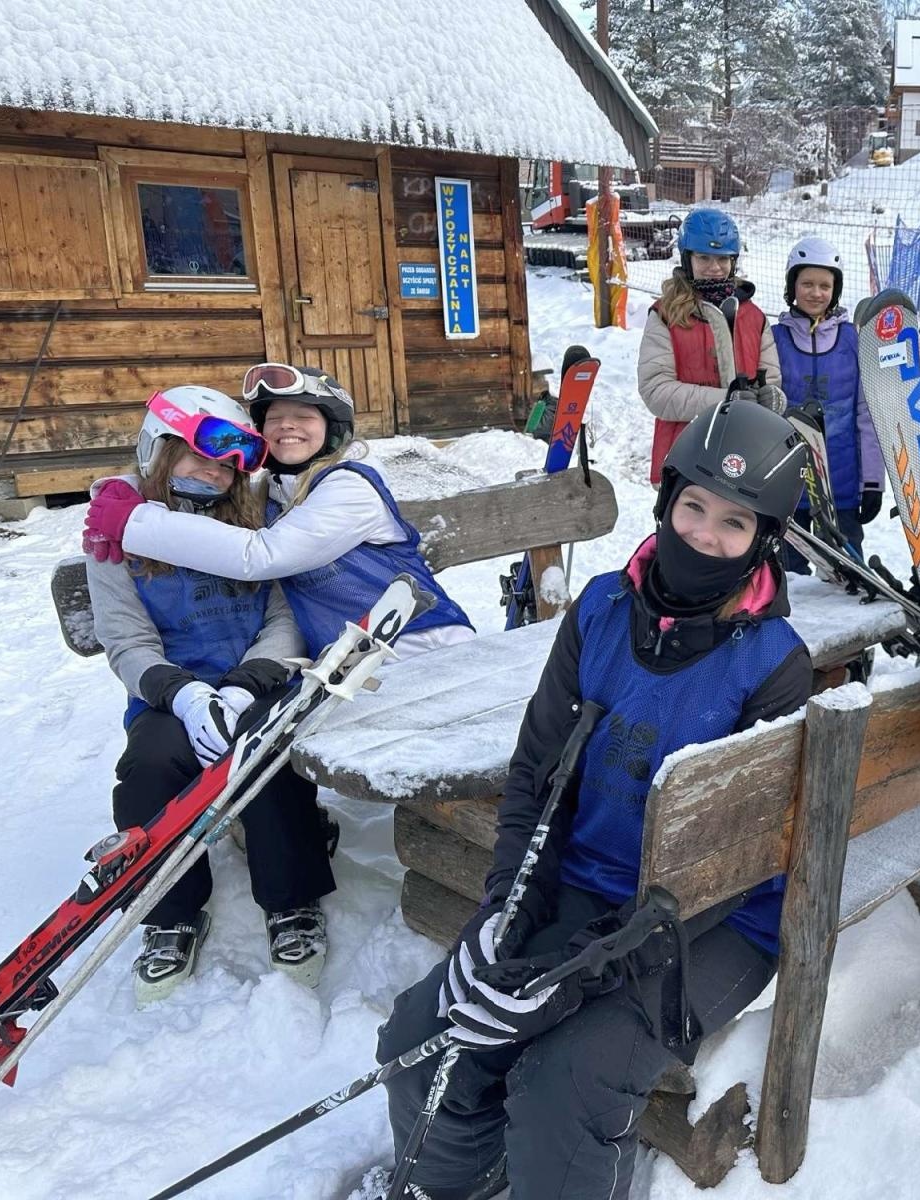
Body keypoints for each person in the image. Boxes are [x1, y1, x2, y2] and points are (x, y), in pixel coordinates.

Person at [372, 399, 813, 1200]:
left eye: (734, 524)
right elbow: (537, 773)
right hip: (585, 886)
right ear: (667, 501)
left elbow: (732, 868)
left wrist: (574, 974)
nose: (703, 537)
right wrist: (504, 913)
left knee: (565, 1080)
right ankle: (457, 1180)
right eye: (693, 508)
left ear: (763, 542)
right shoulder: (603, 610)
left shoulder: (773, 665)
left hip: (708, 927)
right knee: (427, 1033)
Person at [86, 387, 335, 1000]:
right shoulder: (120, 530)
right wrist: (185, 694)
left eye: (225, 464)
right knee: (149, 766)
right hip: (170, 694)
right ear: (159, 450)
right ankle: (169, 911)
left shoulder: (249, 520)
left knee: (266, 753)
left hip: (254, 680)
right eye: (198, 457)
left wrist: (249, 682)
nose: (214, 473)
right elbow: (124, 637)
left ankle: (291, 897)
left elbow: (282, 614)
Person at [82, 363, 473, 657]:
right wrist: (124, 490)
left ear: (331, 429)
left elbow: (262, 555)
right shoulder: (273, 492)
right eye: (275, 418)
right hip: (350, 667)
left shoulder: (351, 487)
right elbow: (200, 482)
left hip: (422, 646)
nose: (288, 426)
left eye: (304, 417)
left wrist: (133, 521)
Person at [637, 209, 786, 485]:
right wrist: (726, 401)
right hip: (687, 455)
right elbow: (655, 391)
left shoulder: (753, 316)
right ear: (687, 259)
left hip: (745, 454)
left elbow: (772, 377)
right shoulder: (666, 316)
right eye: (703, 257)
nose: (714, 267)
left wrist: (770, 397)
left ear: (733, 261)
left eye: (722, 259)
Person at [771, 235, 885, 571]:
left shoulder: (853, 340)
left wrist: (873, 482)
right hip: (787, 486)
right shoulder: (775, 339)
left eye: (825, 285)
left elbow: (867, 415)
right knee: (789, 580)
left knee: (847, 576)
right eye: (807, 283)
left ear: (835, 289)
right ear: (793, 285)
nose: (816, 293)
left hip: (843, 485)